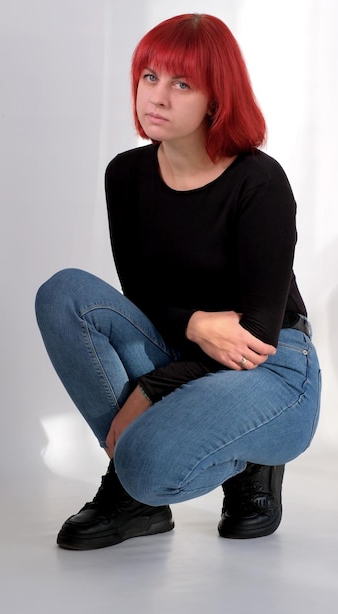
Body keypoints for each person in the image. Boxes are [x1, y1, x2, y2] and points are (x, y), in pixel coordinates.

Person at [35, 13, 321, 550]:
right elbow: (142, 295)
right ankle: (132, 499)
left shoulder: (259, 180)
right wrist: (193, 322)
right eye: (150, 77)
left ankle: (252, 459)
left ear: (217, 98)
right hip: (182, 343)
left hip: (272, 363)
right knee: (63, 293)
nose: (157, 97)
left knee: (149, 463)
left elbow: (256, 331)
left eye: (181, 83)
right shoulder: (127, 175)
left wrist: (150, 387)